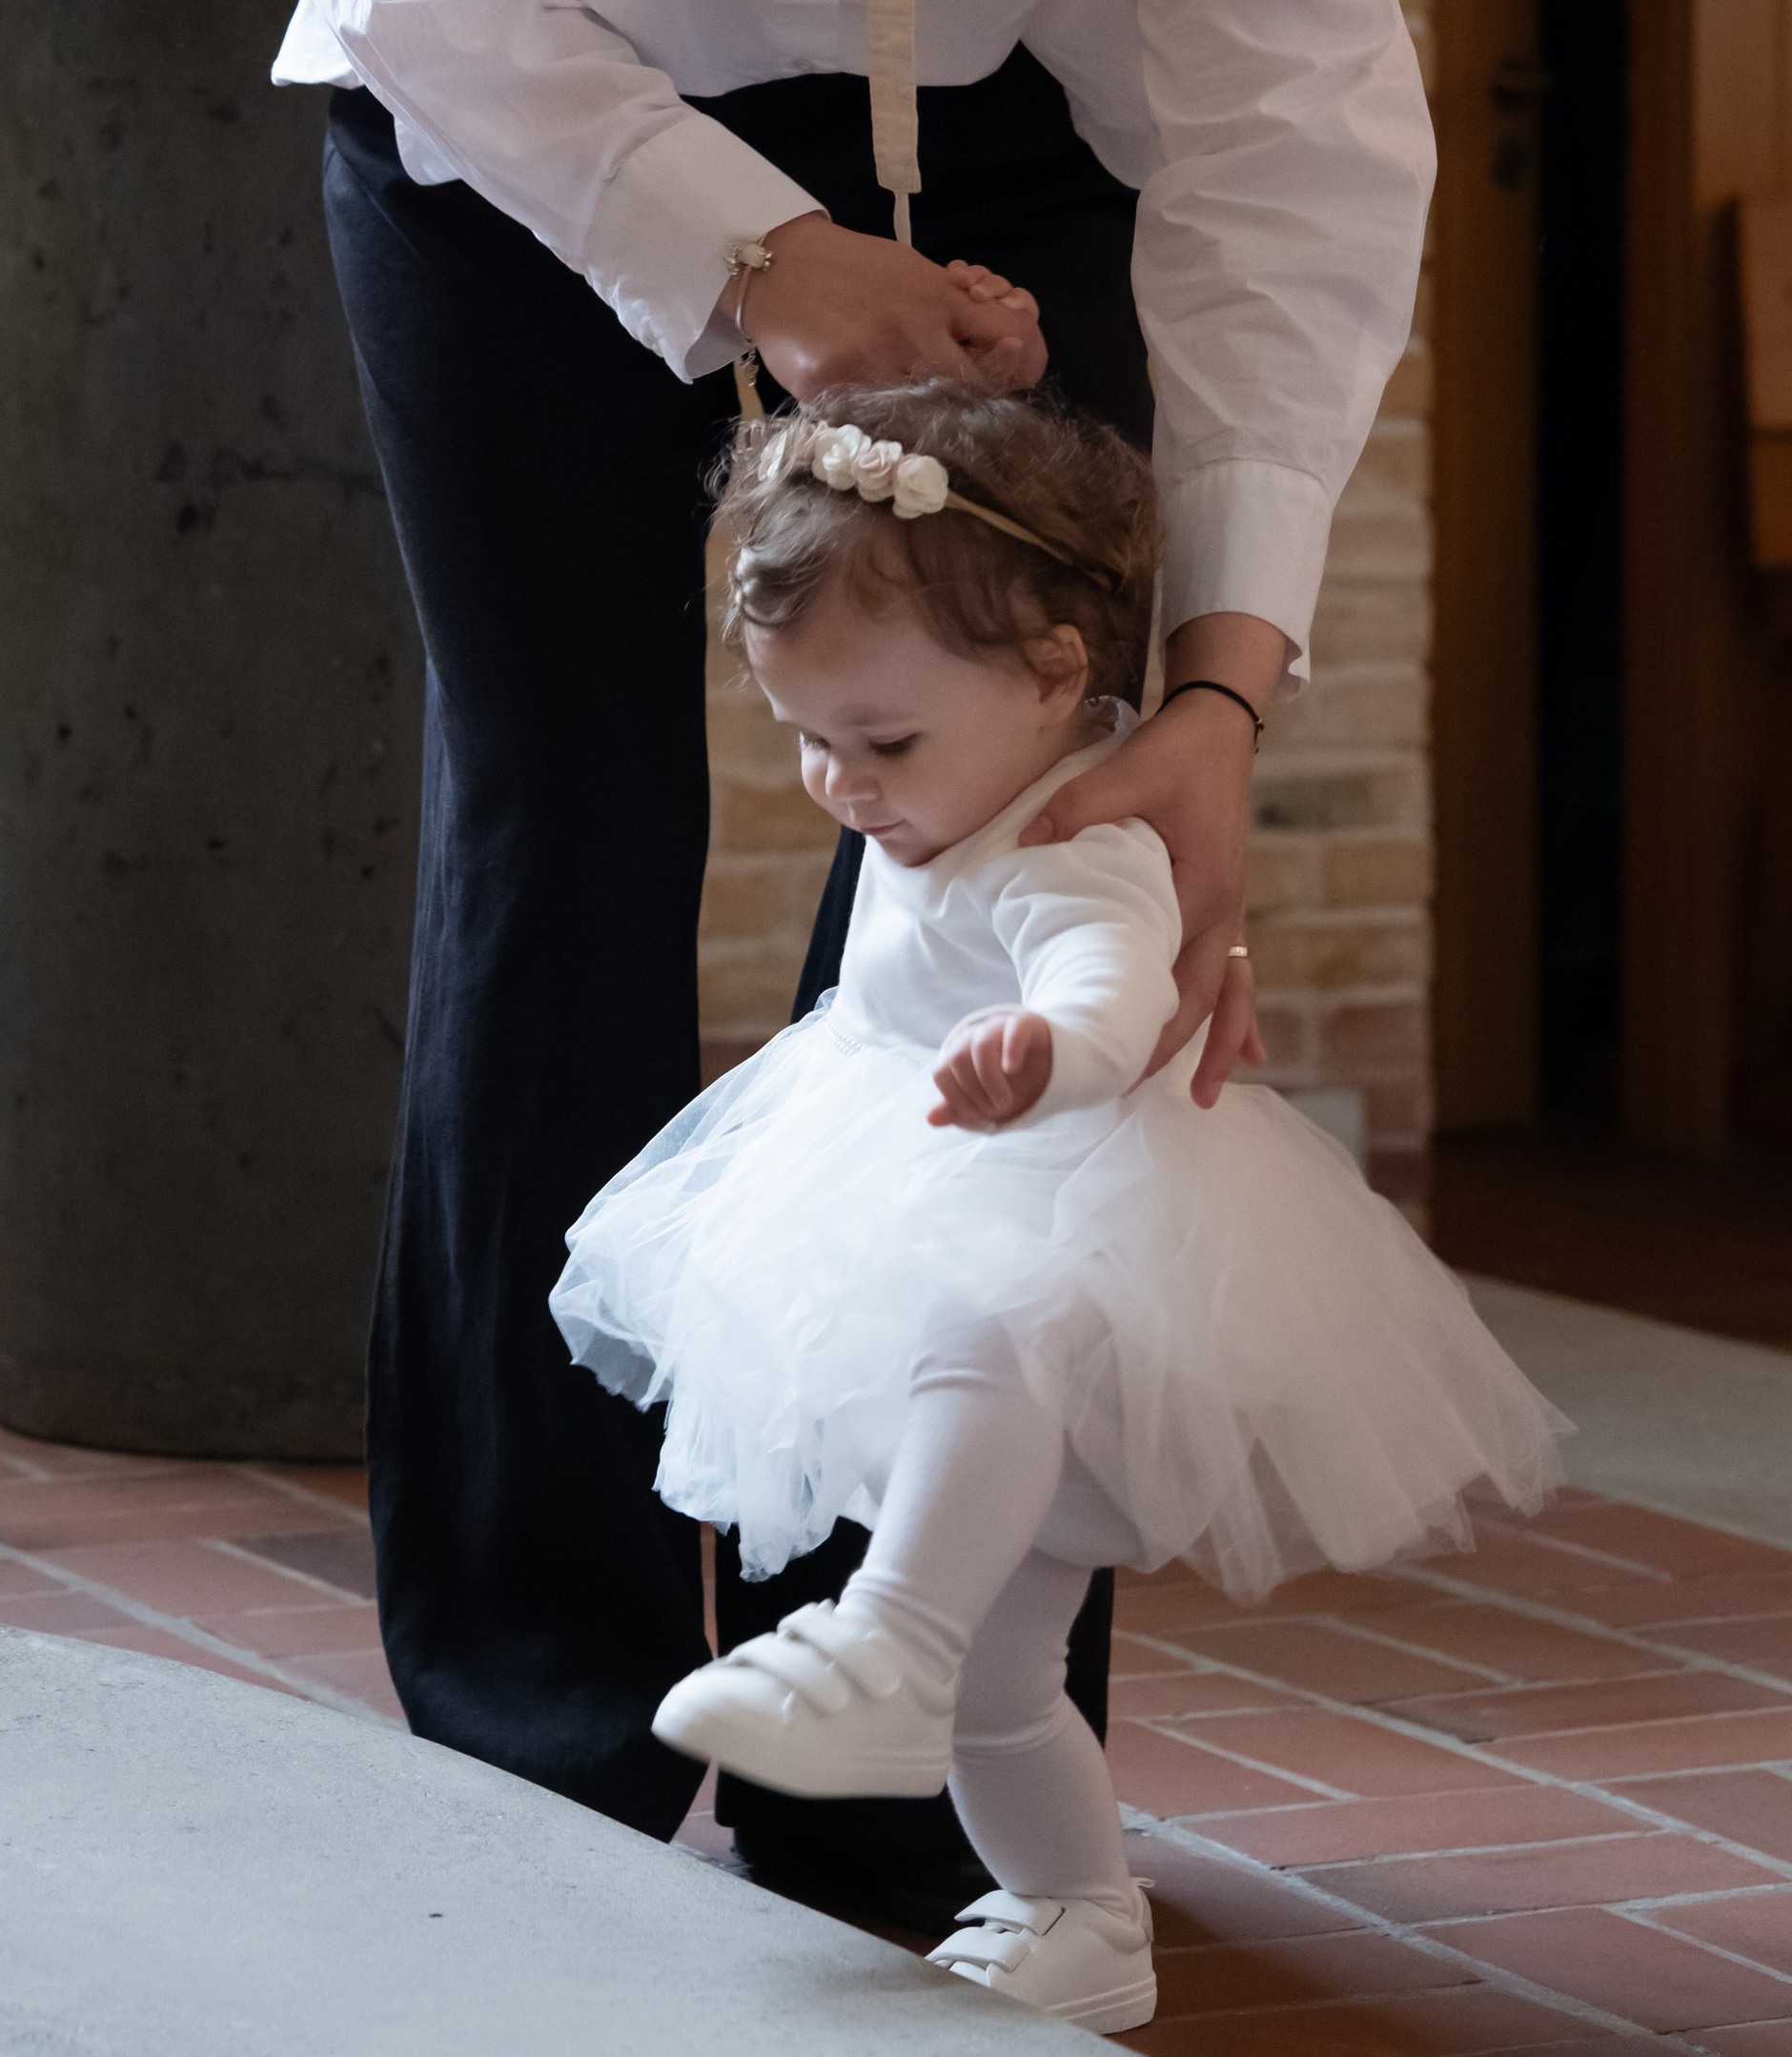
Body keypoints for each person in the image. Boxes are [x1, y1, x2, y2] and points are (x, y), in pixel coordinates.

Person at [275, 0, 1436, 1901]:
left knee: (997, 886)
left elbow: (1299, 120)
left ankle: (904, 1720)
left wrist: (1216, 689)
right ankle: (532, 1699)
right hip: (529, 114)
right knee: (574, 823)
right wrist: (751, 257)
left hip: (1009, 133)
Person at [555, 387, 1562, 2029]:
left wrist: (1052, 1049)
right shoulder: (952, 773)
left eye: (880, 741)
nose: (841, 785)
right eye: (808, 738)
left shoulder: (1080, 830)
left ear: (1055, 679)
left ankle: (885, 1636)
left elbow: (1111, 984)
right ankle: (1081, 1910)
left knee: (986, 1333)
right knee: (1007, 1686)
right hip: (915, 1197)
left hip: (1074, 1244)